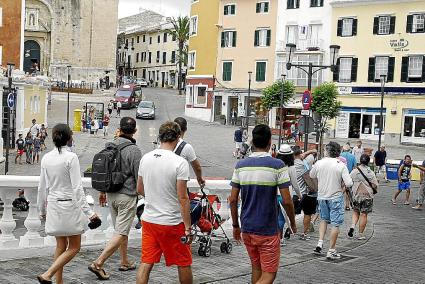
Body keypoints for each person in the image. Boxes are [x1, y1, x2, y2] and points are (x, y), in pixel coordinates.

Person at [230, 125, 296, 284]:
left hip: (247, 226)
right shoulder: (277, 165)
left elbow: (232, 200)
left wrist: (235, 225)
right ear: (269, 142)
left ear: (252, 141)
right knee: (269, 274)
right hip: (267, 229)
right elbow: (287, 200)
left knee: (256, 268)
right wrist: (292, 223)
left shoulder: (241, 165)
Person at [36, 124, 99, 284]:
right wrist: (90, 213)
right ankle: (48, 274)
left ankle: (59, 281)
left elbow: (42, 187)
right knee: (74, 247)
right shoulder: (71, 157)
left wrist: (41, 210)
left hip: (54, 204)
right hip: (69, 205)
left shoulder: (46, 158)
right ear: (69, 138)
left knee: (60, 245)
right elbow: (77, 188)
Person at [136, 122, 192, 284]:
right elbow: (183, 198)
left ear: (160, 137)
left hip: (149, 219)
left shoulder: (146, 158)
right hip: (172, 221)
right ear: (178, 137)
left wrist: (155, 196)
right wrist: (188, 227)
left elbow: (140, 188)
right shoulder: (179, 162)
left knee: (146, 262)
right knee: (183, 262)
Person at [89, 117, 142, 280]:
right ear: (134, 131)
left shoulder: (110, 145)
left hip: (111, 194)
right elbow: (139, 175)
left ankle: (124, 261)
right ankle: (98, 263)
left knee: (121, 230)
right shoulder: (134, 150)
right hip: (126, 196)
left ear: (119, 129)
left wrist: (102, 191)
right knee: (121, 231)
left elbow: (105, 170)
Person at [311, 141, 353, 260]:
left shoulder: (319, 163)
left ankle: (320, 243)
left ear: (327, 151)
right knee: (335, 224)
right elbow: (349, 183)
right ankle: (331, 250)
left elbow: (312, 175)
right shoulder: (341, 165)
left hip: (322, 196)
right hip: (335, 197)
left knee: (323, 219)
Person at [348, 154, 378, 240]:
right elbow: (375, 185)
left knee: (355, 211)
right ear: (368, 162)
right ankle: (360, 234)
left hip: (356, 195)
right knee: (364, 214)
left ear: (360, 161)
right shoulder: (370, 172)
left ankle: (352, 226)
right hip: (367, 196)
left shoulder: (354, 171)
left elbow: (349, 182)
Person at [276, 144, 301, 244]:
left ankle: (275, 237)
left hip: (274, 195)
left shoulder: (275, 166)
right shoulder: (291, 168)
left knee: (274, 217)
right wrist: (299, 195)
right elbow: (295, 184)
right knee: (282, 218)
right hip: (285, 195)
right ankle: (280, 238)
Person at [293, 146, 319, 240]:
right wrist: (308, 152)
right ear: (300, 154)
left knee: (292, 213)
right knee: (307, 214)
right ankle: (304, 233)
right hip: (306, 193)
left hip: (294, 193)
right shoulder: (306, 163)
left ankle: (289, 228)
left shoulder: (289, 165)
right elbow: (315, 152)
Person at [173, 117, 205, 187]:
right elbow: (197, 167)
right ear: (186, 129)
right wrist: (199, 179)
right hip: (178, 186)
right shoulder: (187, 147)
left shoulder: (163, 144)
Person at [341, 144, 357, 210]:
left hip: (340, 175)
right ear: (349, 150)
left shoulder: (340, 155)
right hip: (349, 175)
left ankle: (338, 200)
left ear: (343, 149)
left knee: (340, 188)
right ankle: (347, 205)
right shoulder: (353, 156)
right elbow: (355, 167)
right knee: (348, 190)